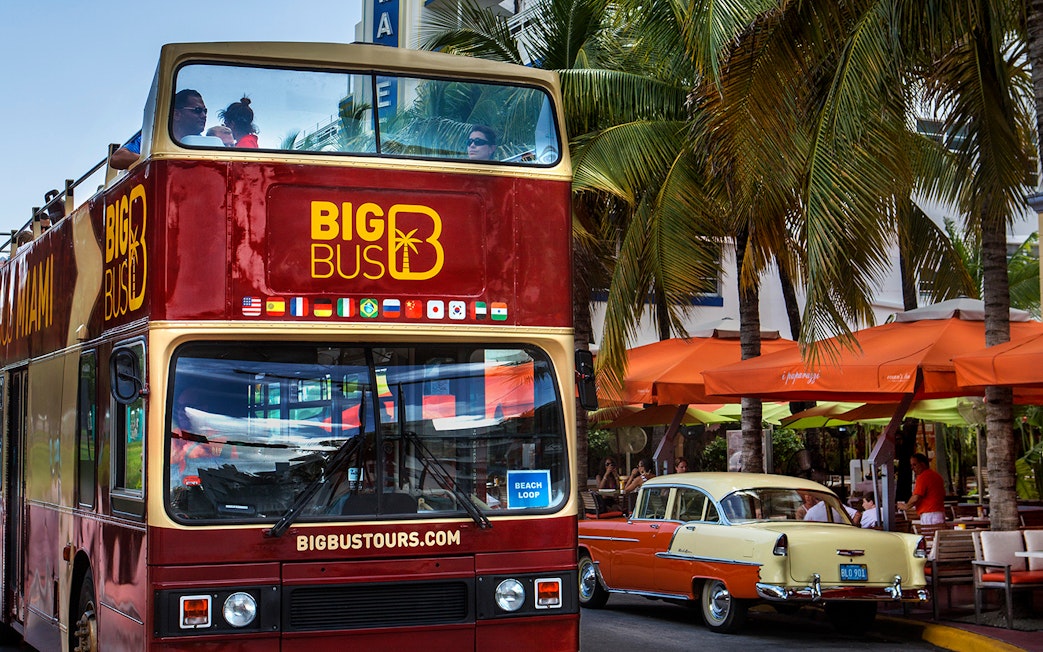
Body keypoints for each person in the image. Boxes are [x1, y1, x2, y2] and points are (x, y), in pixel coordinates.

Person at [898, 452, 946, 525]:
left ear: (923, 464)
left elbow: (916, 497)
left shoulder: (923, 477)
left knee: (928, 535)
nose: (912, 468)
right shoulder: (937, 476)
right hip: (939, 513)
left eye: (914, 465)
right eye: (911, 465)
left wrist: (906, 506)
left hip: (929, 514)